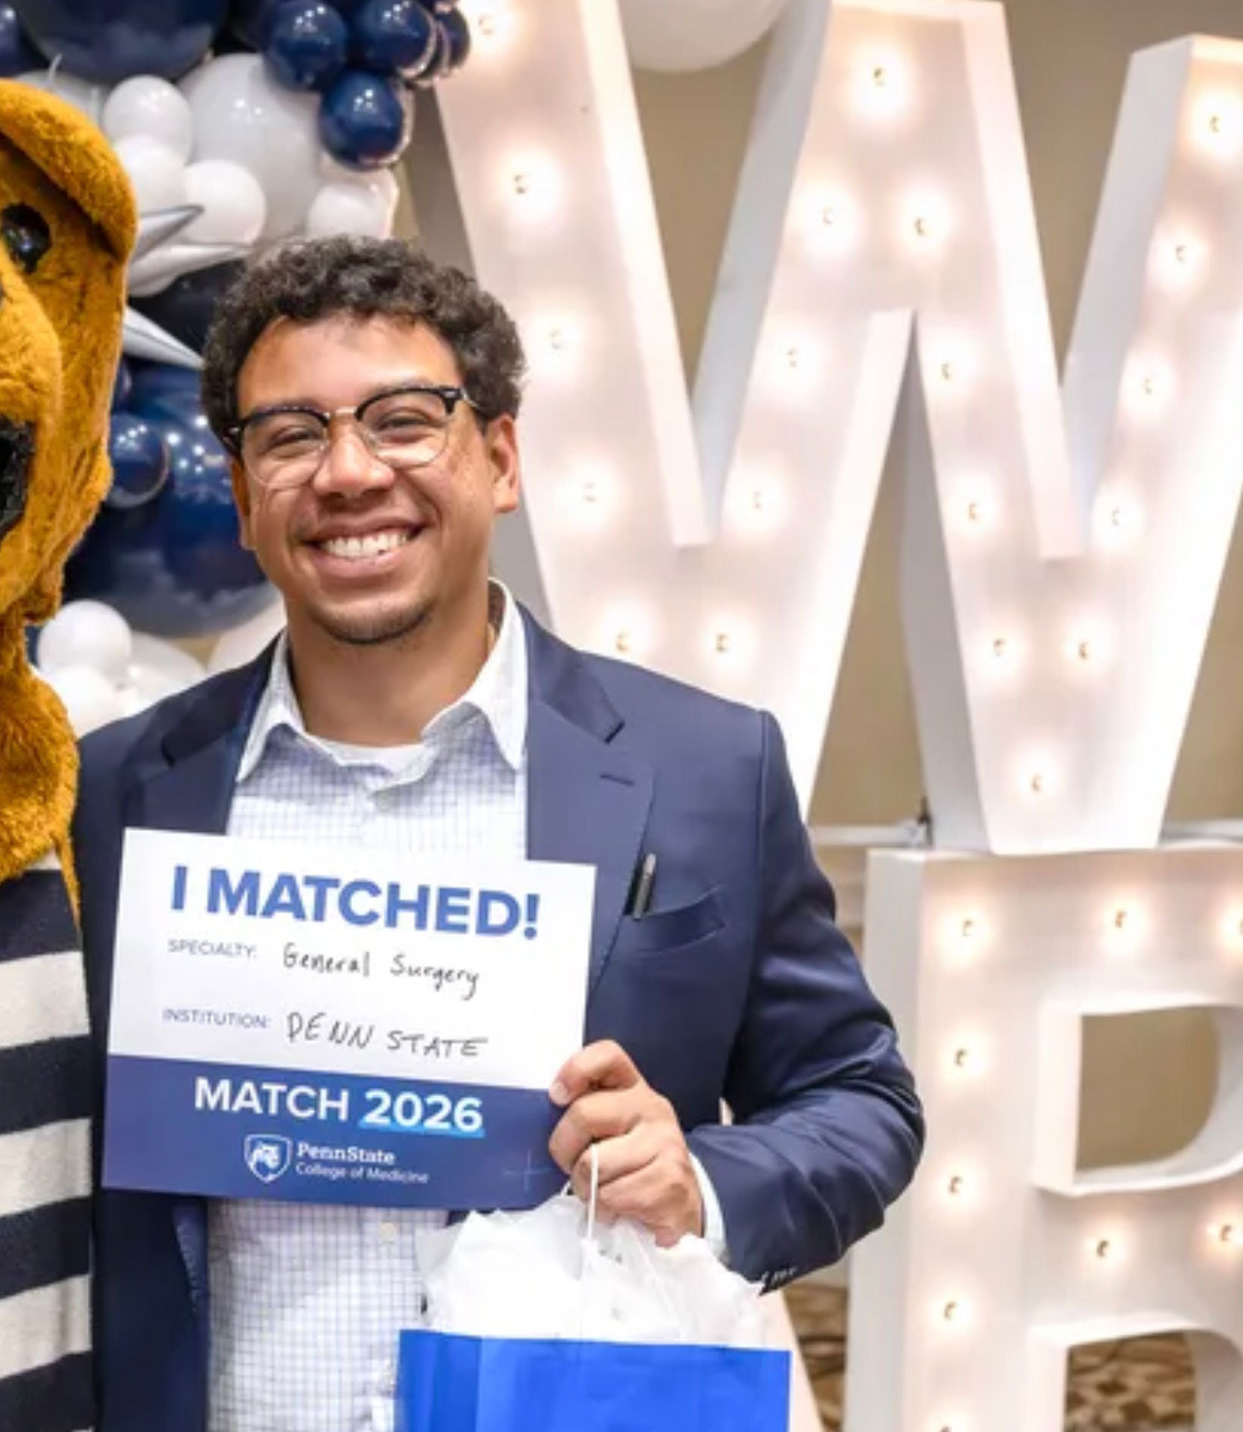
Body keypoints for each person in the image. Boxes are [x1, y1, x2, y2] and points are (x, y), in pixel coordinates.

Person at [72, 236, 924, 1432]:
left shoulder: (704, 769)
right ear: (245, 494)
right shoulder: (110, 795)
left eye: (402, 421)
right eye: (290, 436)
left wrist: (697, 1180)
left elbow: (859, 1098)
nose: (347, 472)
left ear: (501, 458)